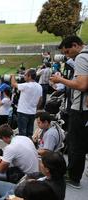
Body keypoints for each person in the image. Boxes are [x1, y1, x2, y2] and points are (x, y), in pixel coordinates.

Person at [50, 35, 88, 189]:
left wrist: (60, 80)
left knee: (76, 144)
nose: (67, 55)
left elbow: (82, 84)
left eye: (67, 51)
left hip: (80, 109)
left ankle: (73, 177)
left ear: (74, 45)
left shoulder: (81, 57)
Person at [0, 152, 66, 200]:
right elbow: (34, 175)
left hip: (16, 196)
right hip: (17, 188)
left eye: (42, 163)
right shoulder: (55, 175)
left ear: (47, 169)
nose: (40, 164)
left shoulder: (47, 190)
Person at [11, 69, 42, 137]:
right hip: (32, 112)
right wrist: (35, 108)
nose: (24, 76)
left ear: (30, 76)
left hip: (23, 112)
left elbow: (13, 84)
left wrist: (12, 76)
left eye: (25, 75)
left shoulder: (26, 85)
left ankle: (23, 146)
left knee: (22, 133)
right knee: (29, 132)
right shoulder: (39, 86)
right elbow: (40, 100)